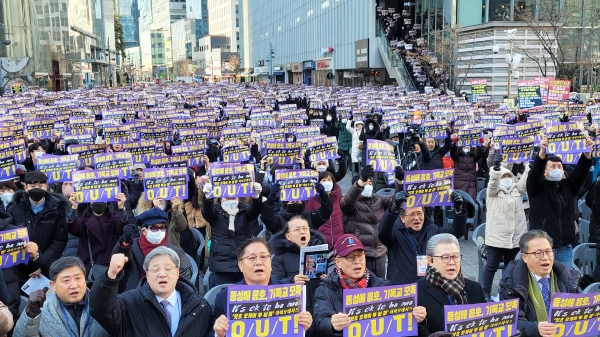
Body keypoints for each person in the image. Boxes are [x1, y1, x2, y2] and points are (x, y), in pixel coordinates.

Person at [313, 234, 427, 337]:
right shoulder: (325, 289)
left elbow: (402, 323)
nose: (357, 262)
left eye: (360, 256)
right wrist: (331, 324)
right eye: (350, 257)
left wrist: (417, 317)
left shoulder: (384, 286)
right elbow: (320, 322)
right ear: (338, 262)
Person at [90, 247, 212, 337]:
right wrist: (110, 275)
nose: (162, 274)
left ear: (177, 272)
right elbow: (101, 310)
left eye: (168, 268)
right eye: (155, 269)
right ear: (147, 275)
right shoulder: (129, 304)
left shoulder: (199, 306)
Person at [211, 237, 313, 337]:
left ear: (271, 263)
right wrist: (219, 334)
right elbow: (210, 333)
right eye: (252, 258)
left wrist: (305, 329)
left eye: (264, 257)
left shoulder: (292, 294)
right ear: (241, 265)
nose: (259, 262)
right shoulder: (224, 297)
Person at [527, 134, 593, 265]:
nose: (557, 169)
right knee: (543, 282)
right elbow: (534, 174)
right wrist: (542, 154)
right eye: (552, 166)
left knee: (564, 283)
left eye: (559, 166)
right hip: (542, 248)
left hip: (565, 247)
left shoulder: (568, 186)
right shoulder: (537, 188)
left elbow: (580, 173)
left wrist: (586, 155)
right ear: (544, 171)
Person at [499, 230, 580, 337]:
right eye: (538, 253)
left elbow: (581, 312)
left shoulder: (568, 277)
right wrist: (535, 329)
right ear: (525, 257)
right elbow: (511, 322)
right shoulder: (511, 283)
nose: (545, 257)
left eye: (548, 251)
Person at [378, 190, 467, 285]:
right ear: (402, 218)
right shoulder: (395, 233)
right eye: (412, 214)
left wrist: (458, 210)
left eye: (419, 213)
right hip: (402, 287)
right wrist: (394, 209)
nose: (417, 218)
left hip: (428, 286)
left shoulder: (432, 229)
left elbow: (456, 232)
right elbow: (383, 232)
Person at [13, 256, 109, 337]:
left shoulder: (103, 305)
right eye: (66, 280)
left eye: (78, 278)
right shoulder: (43, 312)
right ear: (53, 285)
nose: (74, 285)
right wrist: (31, 313)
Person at [340, 165, 404, 278]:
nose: (368, 185)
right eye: (365, 183)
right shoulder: (350, 203)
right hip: (361, 255)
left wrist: (400, 182)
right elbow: (347, 203)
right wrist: (361, 181)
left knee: (378, 288)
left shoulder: (378, 199)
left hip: (380, 254)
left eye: (370, 183)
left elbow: (396, 201)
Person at [417, 234, 486, 337]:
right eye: (445, 257)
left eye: (456, 256)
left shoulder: (475, 288)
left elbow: (486, 326)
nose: (452, 262)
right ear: (430, 260)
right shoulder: (417, 291)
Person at [482, 154, 530, 301]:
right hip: (496, 238)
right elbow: (493, 183)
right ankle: (485, 293)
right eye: (504, 176)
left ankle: (506, 292)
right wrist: (496, 171)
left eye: (509, 176)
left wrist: (529, 168)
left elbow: (524, 182)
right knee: (491, 266)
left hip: (515, 238)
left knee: (511, 268)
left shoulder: (517, 190)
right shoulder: (493, 193)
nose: (507, 179)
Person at [112, 208, 192, 292]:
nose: (160, 231)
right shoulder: (133, 248)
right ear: (144, 231)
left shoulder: (173, 251)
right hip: (138, 296)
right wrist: (125, 243)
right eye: (154, 228)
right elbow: (119, 261)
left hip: (166, 295)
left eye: (162, 227)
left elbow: (184, 278)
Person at [7, 171, 69, 276]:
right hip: (19, 267)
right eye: (33, 186)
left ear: (46, 186)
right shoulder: (14, 208)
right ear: (25, 187)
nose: (37, 189)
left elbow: (59, 240)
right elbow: (9, 237)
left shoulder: (58, 209)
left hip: (46, 268)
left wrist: (41, 265)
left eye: (40, 186)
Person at [201, 182, 263, 286]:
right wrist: (207, 198)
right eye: (227, 197)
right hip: (221, 263)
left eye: (233, 197)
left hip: (245, 260)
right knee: (224, 295)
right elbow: (207, 212)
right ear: (220, 198)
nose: (230, 198)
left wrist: (256, 197)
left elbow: (254, 211)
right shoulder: (215, 210)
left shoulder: (244, 209)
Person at [270, 216, 327, 319]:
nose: (302, 232)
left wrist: (327, 279)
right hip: (297, 313)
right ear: (288, 236)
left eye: (305, 228)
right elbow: (274, 286)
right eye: (297, 229)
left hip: (321, 310)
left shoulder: (322, 252)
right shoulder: (279, 258)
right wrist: (292, 281)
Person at [66, 192, 130, 277]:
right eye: (94, 201)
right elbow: (73, 228)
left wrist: (121, 208)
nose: (98, 203)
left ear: (107, 202)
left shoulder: (114, 219)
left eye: (102, 200)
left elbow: (122, 227)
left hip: (110, 265)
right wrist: (74, 208)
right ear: (90, 203)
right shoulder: (83, 220)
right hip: (89, 266)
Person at [261, 182, 332, 234]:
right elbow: (266, 217)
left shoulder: (312, 217)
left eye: (298, 198)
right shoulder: (278, 220)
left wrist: (323, 195)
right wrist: (271, 198)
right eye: (290, 198)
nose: (294, 200)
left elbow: (326, 210)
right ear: (284, 202)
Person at [305, 171, 344, 248]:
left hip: (339, 241)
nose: (327, 182)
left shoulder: (340, 198)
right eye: (324, 180)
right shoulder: (312, 200)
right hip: (321, 242)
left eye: (329, 180)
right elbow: (309, 221)